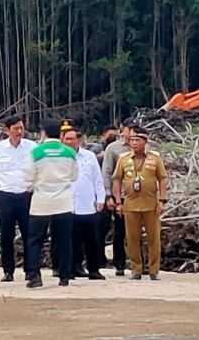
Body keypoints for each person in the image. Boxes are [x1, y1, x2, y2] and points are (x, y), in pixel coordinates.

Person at [23, 118, 78, 288]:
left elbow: (28, 176)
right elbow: (74, 176)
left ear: (43, 133)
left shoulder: (36, 152)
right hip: (64, 201)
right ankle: (64, 276)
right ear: (61, 134)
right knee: (64, 240)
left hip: (41, 201)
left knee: (35, 240)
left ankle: (34, 276)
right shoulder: (69, 152)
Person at [113, 126, 168, 280]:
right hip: (130, 204)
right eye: (131, 140)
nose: (134, 143)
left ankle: (153, 269)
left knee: (153, 238)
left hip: (151, 204)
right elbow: (117, 179)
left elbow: (162, 178)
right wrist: (118, 201)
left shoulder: (155, 158)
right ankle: (136, 269)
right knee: (132, 238)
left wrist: (162, 200)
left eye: (137, 140)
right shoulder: (123, 159)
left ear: (145, 141)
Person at [0, 115, 37, 282]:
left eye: (21, 128)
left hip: (26, 195)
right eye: (15, 128)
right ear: (7, 130)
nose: (19, 132)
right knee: (6, 235)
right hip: (6, 195)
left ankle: (31, 270)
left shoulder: (32, 147)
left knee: (29, 234)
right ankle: (8, 270)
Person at [63, 128, 105, 280]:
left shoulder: (89, 156)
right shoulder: (60, 157)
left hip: (88, 204)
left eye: (71, 139)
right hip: (67, 205)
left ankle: (94, 269)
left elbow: (97, 179)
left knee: (92, 240)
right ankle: (74, 268)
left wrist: (101, 198)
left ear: (78, 140)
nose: (69, 142)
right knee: (71, 240)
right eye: (66, 139)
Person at [100, 118, 135, 276]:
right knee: (120, 231)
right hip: (120, 195)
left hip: (139, 196)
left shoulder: (144, 147)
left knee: (137, 231)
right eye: (129, 129)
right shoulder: (113, 149)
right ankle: (119, 264)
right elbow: (107, 172)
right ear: (123, 129)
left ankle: (138, 263)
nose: (132, 133)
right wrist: (109, 195)